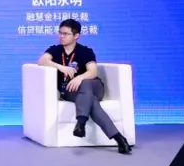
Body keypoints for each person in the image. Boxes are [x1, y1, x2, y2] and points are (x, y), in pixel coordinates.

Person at [37, 19, 132, 154]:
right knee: (91, 101)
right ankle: (119, 139)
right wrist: (61, 67)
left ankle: (81, 122)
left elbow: (93, 72)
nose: (61, 36)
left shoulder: (85, 51)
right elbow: (42, 61)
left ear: (76, 36)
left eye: (66, 34)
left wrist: (79, 78)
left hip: (94, 87)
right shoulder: (55, 50)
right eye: (60, 33)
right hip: (70, 91)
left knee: (86, 83)